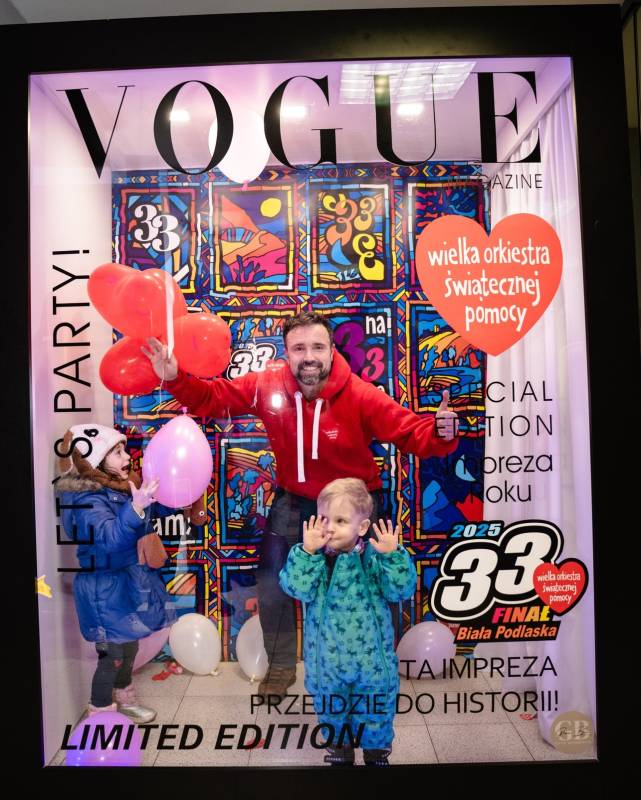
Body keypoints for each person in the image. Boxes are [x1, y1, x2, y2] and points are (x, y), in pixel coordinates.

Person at [142, 310, 458, 698]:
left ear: (332, 350)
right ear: (287, 352)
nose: (309, 357)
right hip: (296, 501)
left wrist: (439, 431)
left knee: (371, 585)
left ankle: (373, 664)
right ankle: (280, 666)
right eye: (299, 348)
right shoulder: (266, 385)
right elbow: (213, 398)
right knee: (273, 581)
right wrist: (175, 377)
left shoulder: (359, 393)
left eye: (317, 347)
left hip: (355, 505)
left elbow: (408, 431)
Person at [279, 478, 416, 766]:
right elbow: (295, 588)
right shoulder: (313, 558)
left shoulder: (375, 558)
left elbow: (401, 590)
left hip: (372, 663)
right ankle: (339, 751)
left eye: (340, 521)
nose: (329, 527)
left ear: (362, 527)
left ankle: (376, 753)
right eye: (324, 519)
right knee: (331, 709)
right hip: (326, 663)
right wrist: (306, 553)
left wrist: (393, 557)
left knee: (376, 709)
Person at [56, 424, 179, 722]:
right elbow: (109, 538)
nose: (127, 457)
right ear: (96, 461)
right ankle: (100, 715)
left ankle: (124, 698)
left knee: (129, 645)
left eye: (124, 450)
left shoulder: (116, 489)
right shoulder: (85, 498)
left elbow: (136, 526)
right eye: (117, 452)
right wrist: (135, 508)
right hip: (103, 587)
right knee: (111, 655)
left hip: (123, 581)